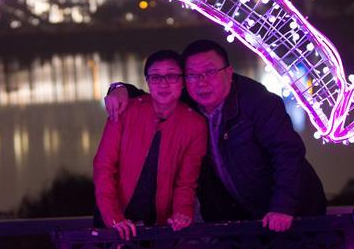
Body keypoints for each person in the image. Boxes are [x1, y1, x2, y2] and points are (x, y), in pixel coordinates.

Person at [105, 40, 326, 231]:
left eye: (210, 72)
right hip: (233, 217)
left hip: (290, 212)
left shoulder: (257, 101)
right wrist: (120, 88)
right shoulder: (188, 102)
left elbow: (287, 153)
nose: (201, 82)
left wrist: (282, 207)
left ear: (229, 73)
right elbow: (155, 96)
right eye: (192, 75)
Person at [94, 50, 207, 240]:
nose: (163, 84)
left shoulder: (195, 124)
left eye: (171, 76)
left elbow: (186, 181)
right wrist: (113, 217)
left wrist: (182, 212)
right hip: (114, 222)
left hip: (162, 226)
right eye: (155, 77)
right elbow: (103, 167)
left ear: (183, 81)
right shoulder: (125, 111)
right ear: (147, 81)